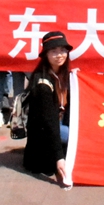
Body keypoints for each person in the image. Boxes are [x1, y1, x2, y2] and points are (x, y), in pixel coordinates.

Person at [23, 31, 72, 189]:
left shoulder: (65, 75)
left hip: (58, 122)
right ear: (46, 55)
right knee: (75, 135)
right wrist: (59, 158)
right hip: (43, 132)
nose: (59, 55)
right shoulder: (42, 84)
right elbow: (49, 123)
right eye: (54, 51)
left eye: (63, 50)